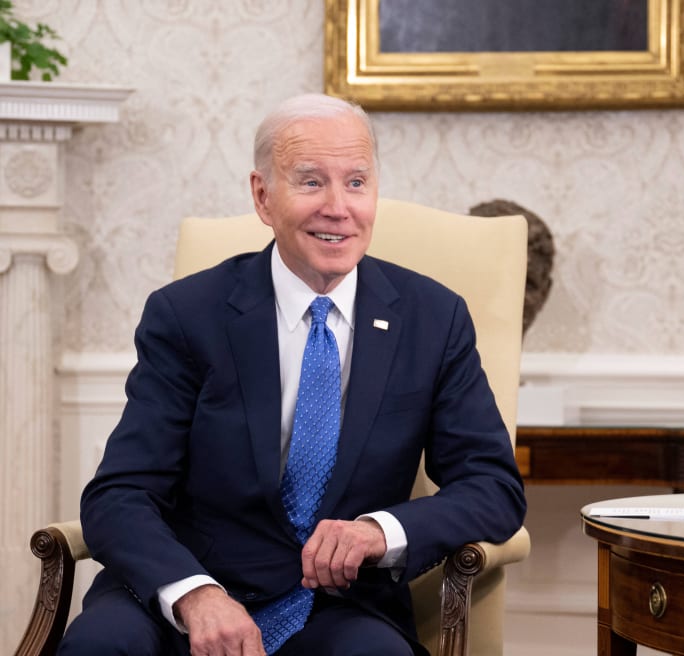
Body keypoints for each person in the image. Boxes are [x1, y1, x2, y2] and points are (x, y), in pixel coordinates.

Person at [59, 93, 526, 656]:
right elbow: (120, 492)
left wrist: (380, 531)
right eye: (310, 182)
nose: (338, 207)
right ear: (263, 196)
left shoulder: (433, 318)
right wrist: (194, 594)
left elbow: (493, 487)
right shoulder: (187, 314)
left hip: (339, 603)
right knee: (100, 646)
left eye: (356, 182)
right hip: (185, 593)